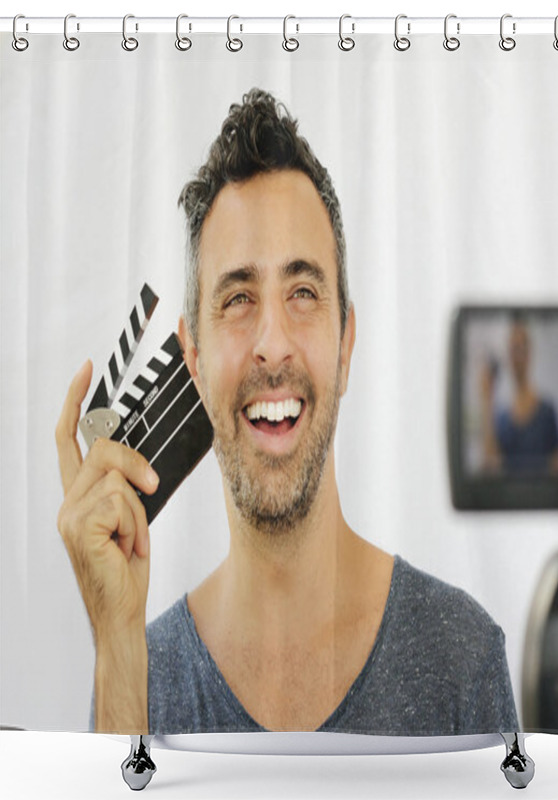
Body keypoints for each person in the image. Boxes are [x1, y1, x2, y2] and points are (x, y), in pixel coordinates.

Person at [55, 89, 518, 736]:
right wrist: (116, 647)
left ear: (345, 344)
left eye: (303, 292)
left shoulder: (462, 658)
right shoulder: (141, 671)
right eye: (238, 297)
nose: (272, 341)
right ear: (193, 359)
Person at [481, 317, 558, 475]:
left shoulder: (547, 411)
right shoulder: (501, 418)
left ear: (529, 353)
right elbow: (491, 467)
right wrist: (487, 400)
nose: (517, 357)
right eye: (513, 350)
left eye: (521, 348)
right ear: (508, 356)